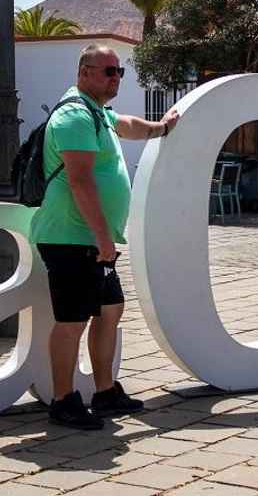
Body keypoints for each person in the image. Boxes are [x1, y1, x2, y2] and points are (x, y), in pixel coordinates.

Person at [30, 44, 180, 430]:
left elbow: (126, 123)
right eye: (108, 71)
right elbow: (80, 181)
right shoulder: (75, 116)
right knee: (72, 321)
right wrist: (103, 239)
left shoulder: (98, 113)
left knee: (110, 310)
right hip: (72, 238)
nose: (116, 78)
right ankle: (63, 400)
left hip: (93, 241)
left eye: (119, 72)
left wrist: (161, 128)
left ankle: (105, 391)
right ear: (84, 72)